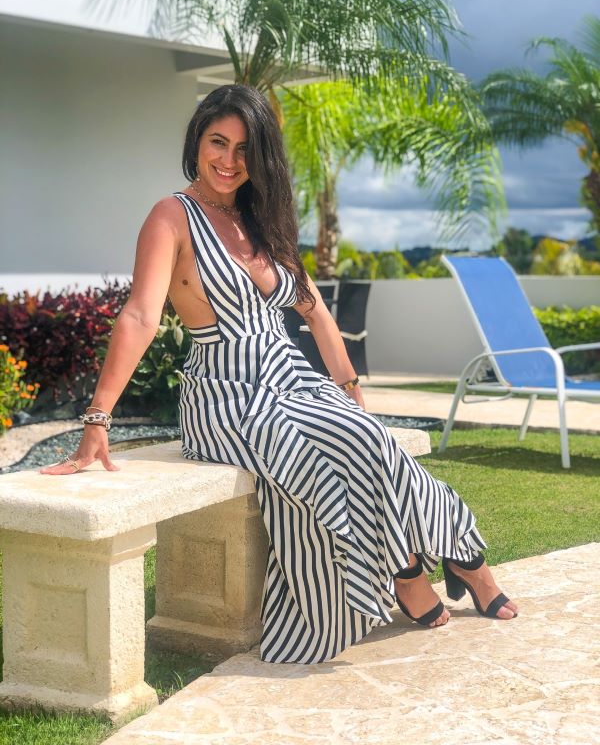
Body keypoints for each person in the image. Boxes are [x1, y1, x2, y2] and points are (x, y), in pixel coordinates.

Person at [40, 84, 517, 664]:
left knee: (371, 437)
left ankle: (446, 561)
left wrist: (349, 391)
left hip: (293, 381)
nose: (228, 161)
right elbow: (141, 315)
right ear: (198, 140)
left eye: (245, 150)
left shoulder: (260, 222)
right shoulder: (172, 216)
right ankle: (429, 565)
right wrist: (98, 420)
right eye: (219, 142)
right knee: (348, 451)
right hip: (226, 394)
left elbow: (316, 313)